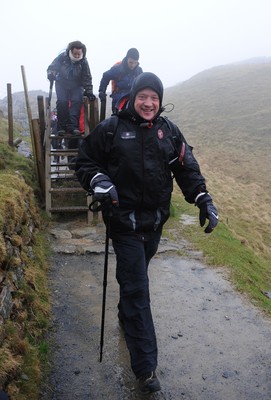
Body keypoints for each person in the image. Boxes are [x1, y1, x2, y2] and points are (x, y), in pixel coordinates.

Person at [75, 72, 218, 394]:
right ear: (133, 98)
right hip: (123, 224)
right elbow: (84, 161)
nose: (149, 103)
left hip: (154, 224)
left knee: (134, 281)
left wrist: (203, 199)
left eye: (154, 98)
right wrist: (98, 180)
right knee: (138, 288)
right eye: (144, 97)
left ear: (160, 100)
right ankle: (145, 367)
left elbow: (187, 169)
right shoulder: (111, 129)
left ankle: (127, 317)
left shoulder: (168, 132)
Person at [47, 40, 96, 136]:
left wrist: (89, 91)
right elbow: (52, 67)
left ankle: (73, 127)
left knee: (77, 101)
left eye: (79, 54)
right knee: (62, 102)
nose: (77, 56)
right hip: (62, 83)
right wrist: (51, 74)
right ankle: (62, 127)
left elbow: (87, 77)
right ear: (70, 51)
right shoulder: (62, 57)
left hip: (77, 85)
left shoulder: (84, 62)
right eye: (75, 53)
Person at [98, 48, 143, 113]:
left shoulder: (139, 71)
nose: (132, 65)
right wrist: (102, 91)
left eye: (135, 63)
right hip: (118, 98)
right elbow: (106, 76)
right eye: (130, 62)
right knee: (118, 120)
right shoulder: (118, 69)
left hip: (133, 98)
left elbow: (142, 84)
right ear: (127, 58)